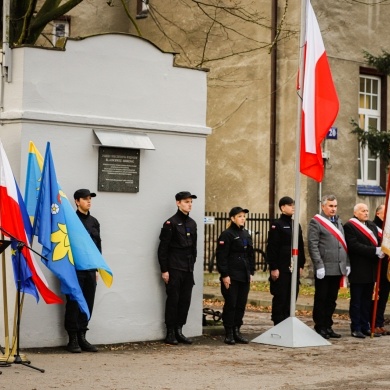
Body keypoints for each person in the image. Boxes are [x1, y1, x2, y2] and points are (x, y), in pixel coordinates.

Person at [158, 191, 198, 345]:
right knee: (173, 300)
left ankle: (179, 330)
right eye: (186, 201)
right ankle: (170, 332)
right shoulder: (171, 223)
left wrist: (192, 264)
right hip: (174, 267)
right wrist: (164, 270)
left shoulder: (192, 223)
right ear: (178, 203)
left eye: (191, 202)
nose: (189, 204)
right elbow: (163, 249)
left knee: (185, 300)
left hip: (188, 268)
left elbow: (194, 247)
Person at [308, 194, 349, 339]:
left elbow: (343, 245)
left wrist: (347, 263)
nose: (333, 209)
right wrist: (318, 265)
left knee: (332, 299)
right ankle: (320, 326)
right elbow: (313, 245)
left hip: (337, 267)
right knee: (321, 298)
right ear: (323, 206)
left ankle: (328, 325)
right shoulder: (316, 222)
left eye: (335, 206)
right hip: (324, 268)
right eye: (330, 206)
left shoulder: (338, 222)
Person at [65, 189, 101, 353]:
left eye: (90, 199)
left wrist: (98, 268)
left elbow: (97, 246)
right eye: (85, 199)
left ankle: (82, 336)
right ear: (77, 201)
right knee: (74, 303)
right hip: (74, 269)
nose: (89, 201)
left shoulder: (94, 222)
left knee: (87, 302)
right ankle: (72, 339)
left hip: (90, 269)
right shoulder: (69, 220)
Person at [344, 203, 384, 339]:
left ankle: (365, 326)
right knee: (357, 300)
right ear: (356, 213)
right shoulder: (349, 226)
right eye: (363, 211)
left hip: (371, 269)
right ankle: (356, 327)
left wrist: (382, 249)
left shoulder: (371, 225)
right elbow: (354, 245)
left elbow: (379, 240)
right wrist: (375, 251)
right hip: (358, 268)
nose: (366, 213)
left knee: (367, 300)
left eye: (367, 211)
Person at [216, 207, 255, 345]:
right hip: (232, 275)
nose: (243, 218)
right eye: (239, 216)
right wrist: (224, 275)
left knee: (241, 304)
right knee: (231, 303)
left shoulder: (245, 233)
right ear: (232, 218)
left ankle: (237, 330)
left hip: (244, 274)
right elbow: (221, 256)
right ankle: (229, 332)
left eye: (244, 216)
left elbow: (250, 254)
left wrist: (251, 272)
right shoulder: (227, 234)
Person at [266, 196, 306, 326]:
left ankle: (288, 320)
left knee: (292, 295)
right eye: (289, 205)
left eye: (293, 204)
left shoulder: (296, 224)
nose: (293, 207)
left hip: (293, 266)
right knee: (281, 295)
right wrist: (273, 267)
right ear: (282, 208)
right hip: (281, 267)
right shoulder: (277, 225)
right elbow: (272, 247)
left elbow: (300, 245)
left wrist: (301, 264)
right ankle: (278, 322)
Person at [372, 204, 390, 335]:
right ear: (378, 214)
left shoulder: (387, 228)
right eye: (385, 213)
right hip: (377, 267)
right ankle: (373, 323)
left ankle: (380, 322)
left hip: (387, 269)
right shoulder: (373, 227)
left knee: (384, 297)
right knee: (376, 297)